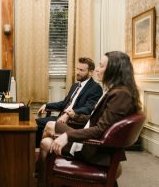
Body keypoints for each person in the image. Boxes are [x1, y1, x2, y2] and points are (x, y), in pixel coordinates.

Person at [36, 51, 142, 187]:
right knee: (48, 133)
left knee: (46, 140)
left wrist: (67, 136)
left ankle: (42, 179)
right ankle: (42, 177)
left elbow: (100, 130)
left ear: (113, 70)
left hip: (93, 149)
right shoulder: (118, 91)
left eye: (101, 65)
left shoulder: (120, 95)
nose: (97, 69)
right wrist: (73, 116)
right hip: (91, 141)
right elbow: (96, 120)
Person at [35, 57, 103, 147]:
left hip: (72, 122)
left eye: (81, 70)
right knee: (34, 124)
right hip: (60, 118)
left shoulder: (95, 88)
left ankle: (36, 151)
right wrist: (46, 105)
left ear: (90, 72)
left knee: (35, 124)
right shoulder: (75, 86)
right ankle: (36, 150)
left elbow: (88, 108)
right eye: (77, 69)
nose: (77, 72)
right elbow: (64, 103)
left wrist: (69, 113)